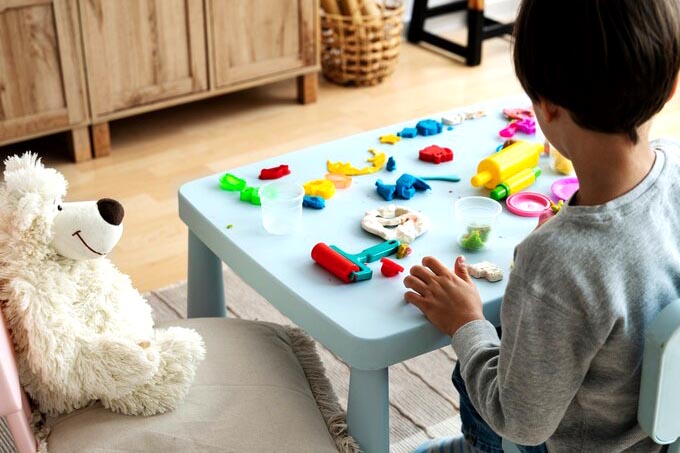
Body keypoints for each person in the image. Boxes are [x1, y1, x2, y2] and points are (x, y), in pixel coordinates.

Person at [404, 0, 680, 451]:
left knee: (477, 360)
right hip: (662, 437)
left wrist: (466, 323)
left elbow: (521, 422)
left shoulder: (555, 261)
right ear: (671, 85)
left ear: (546, 107)